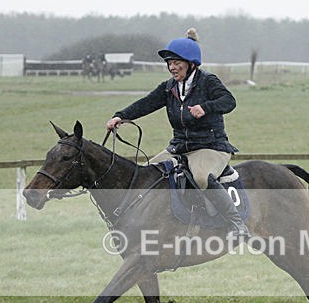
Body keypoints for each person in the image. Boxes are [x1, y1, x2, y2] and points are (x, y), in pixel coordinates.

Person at [106, 28, 250, 239]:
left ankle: (237, 225)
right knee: (146, 176)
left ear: (191, 63)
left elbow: (230, 101)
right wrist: (121, 116)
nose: (172, 67)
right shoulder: (168, 88)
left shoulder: (208, 81)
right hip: (179, 147)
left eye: (176, 63)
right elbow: (145, 104)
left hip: (211, 146)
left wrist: (206, 107)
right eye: (169, 63)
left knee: (201, 177)